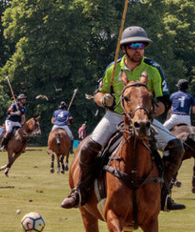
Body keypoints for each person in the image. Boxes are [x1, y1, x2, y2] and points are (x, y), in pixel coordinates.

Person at [60, 27, 183, 210]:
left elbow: (164, 101)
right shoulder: (113, 68)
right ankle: (80, 192)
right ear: (124, 48)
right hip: (114, 116)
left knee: (176, 146)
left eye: (141, 45)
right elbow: (98, 94)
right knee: (87, 148)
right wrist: (104, 99)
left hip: (144, 119)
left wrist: (145, 114)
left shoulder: (153, 69)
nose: (138, 49)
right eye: (133, 45)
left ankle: (164, 193)